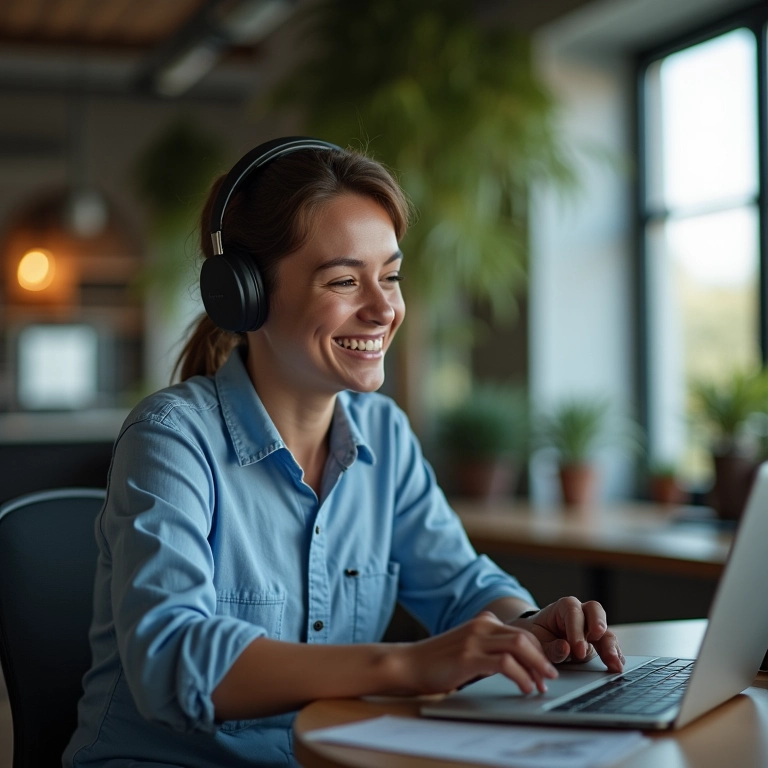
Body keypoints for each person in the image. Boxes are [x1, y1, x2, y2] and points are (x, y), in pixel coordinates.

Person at [64, 138, 624, 768]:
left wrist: (525, 625)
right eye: (344, 280)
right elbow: (170, 661)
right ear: (244, 294)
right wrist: (407, 664)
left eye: (390, 276)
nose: (384, 308)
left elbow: (463, 586)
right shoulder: (171, 438)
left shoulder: (383, 433)